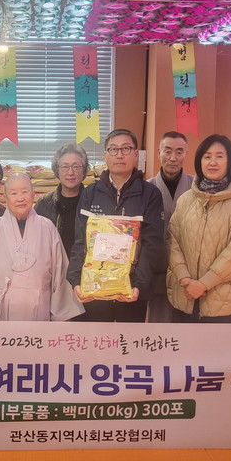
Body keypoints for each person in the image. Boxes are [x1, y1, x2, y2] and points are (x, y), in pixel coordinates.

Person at [67, 128, 164, 322]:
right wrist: (76, 281)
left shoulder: (150, 194)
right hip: (95, 288)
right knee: (98, 339)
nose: (119, 155)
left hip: (131, 290)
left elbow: (152, 245)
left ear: (135, 154)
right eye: (113, 149)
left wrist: (138, 285)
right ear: (106, 155)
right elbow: (81, 241)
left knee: (128, 339)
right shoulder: (90, 193)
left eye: (126, 148)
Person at [167, 134, 231, 323]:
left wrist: (204, 284)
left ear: (229, 161)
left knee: (218, 343)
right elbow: (172, 240)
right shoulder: (186, 200)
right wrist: (184, 277)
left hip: (224, 298)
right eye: (207, 156)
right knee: (184, 342)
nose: (213, 162)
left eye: (219, 156)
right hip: (184, 292)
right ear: (199, 161)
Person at [0, 173, 84, 321]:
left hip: (40, 308)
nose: (20, 198)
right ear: (5, 197)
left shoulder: (47, 227)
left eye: (25, 192)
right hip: (2, 312)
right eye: (14, 193)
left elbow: (60, 273)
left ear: (33, 194)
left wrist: (61, 317)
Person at [146, 131, 194, 322]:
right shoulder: (146, 188)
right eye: (167, 151)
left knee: (188, 326)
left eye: (179, 152)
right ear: (158, 153)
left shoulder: (197, 187)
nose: (173, 158)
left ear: (186, 154)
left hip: (190, 270)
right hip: (157, 268)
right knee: (159, 325)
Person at [35, 143, 89, 256]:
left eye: (76, 167)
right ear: (57, 170)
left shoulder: (93, 202)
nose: (70, 172)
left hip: (84, 265)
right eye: (65, 167)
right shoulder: (43, 204)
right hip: (52, 265)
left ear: (84, 171)